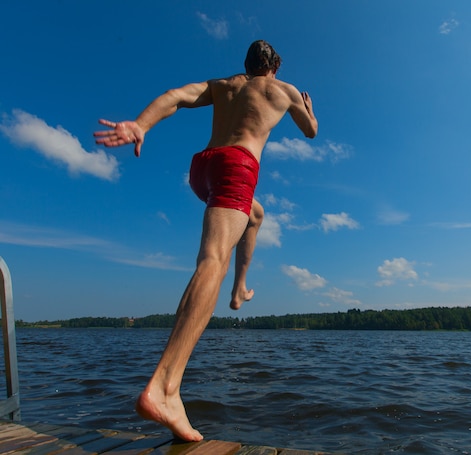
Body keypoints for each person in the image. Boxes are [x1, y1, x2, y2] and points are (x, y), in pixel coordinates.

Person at [94, 40, 317, 442]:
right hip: (238, 166)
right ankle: (164, 387)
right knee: (213, 259)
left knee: (255, 214)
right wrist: (309, 109)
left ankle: (238, 290)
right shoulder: (282, 91)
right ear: (275, 69)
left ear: (247, 65)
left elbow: (175, 96)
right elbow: (311, 131)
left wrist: (141, 125)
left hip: (204, 167)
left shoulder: (224, 85)